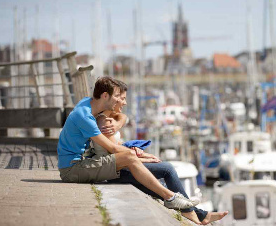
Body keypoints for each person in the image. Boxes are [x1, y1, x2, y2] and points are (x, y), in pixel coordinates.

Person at [57, 76, 198, 212]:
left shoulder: (87, 103)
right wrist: (143, 157)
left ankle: (176, 200)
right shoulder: (85, 117)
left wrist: (120, 122)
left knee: (133, 158)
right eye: (117, 96)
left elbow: (120, 115)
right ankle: (171, 197)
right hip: (73, 170)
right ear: (105, 95)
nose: (120, 100)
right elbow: (112, 148)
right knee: (130, 157)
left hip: (80, 163)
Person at [92, 85, 228, 225]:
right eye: (122, 99)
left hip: (118, 166)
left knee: (159, 185)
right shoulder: (105, 121)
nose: (125, 102)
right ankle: (191, 212)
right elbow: (113, 150)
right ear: (111, 98)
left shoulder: (109, 117)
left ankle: (199, 214)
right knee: (167, 169)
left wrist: (133, 148)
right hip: (115, 170)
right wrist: (144, 157)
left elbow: (119, 135)